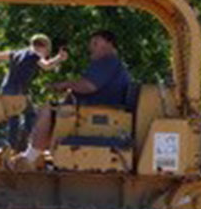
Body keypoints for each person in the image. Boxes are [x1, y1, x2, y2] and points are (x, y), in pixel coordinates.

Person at [14, 29, 132, 167]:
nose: (91, 48)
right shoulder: (110, 64)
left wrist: (64, 84)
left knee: (46, 110)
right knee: (54, 109)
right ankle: (40, 155)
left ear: (110, 44)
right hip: (94, 109)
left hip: (99, 112)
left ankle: (29, 158)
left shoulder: (108, 61)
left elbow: (89, 86)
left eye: (95, 43)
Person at [0, 33, 68, 149]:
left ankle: (13, 146)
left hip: (7, 89)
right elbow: (46, 66)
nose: (46, 55)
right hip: (17, 92)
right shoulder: (35, 54)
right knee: (27, 116)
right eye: (47, 52)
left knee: (16, 117)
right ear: (44, 47)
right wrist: (59, 58)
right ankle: (24, 146)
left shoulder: (17, 53)